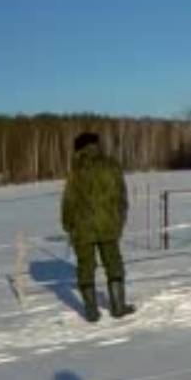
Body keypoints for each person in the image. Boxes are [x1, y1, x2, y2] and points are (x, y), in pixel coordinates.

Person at [61, 131, 134, 322]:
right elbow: (122, 197)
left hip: (82, 228)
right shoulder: (112, 165)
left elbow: (68, 201)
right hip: (109, 225)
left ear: (79, 148)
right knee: (113, 264)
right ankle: (118, 307)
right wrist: (119, 221)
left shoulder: (76, 170)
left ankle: (91, 311)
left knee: (85, 267)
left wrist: (68, 225)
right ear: (96, 145)